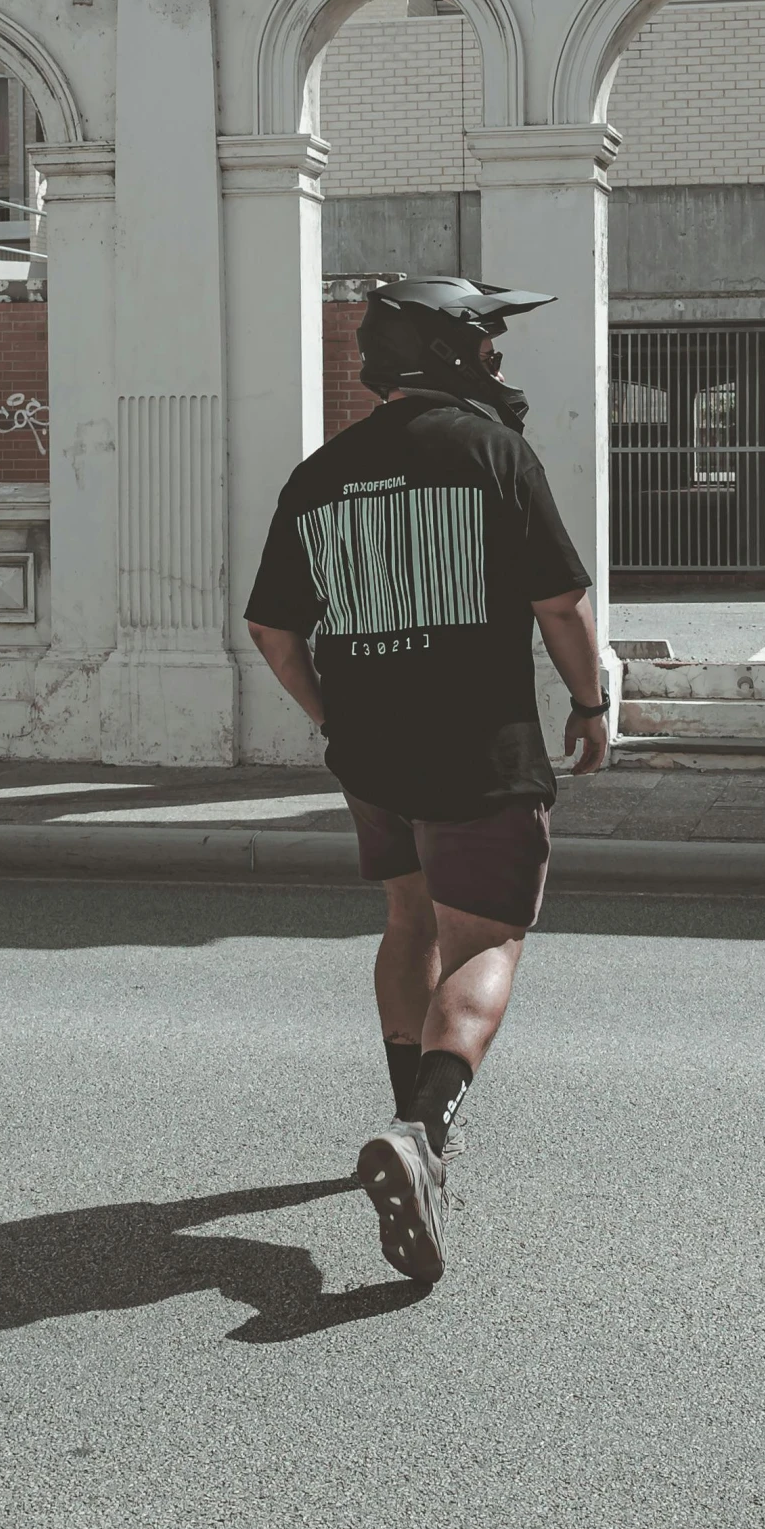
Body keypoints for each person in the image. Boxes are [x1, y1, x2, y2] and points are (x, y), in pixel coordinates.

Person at [245, 276, 611, 1286]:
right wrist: (590, 705)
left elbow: (273, 630)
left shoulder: (318, 477)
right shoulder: (493, 453)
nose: (499, 360)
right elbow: (562, 605)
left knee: (409, 923)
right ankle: (423, 1136)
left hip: (372, 755)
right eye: (490, 343)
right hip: (477, 748)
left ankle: (409, 1120)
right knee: (485, 939)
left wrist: (333, 719)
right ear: (452, 353)